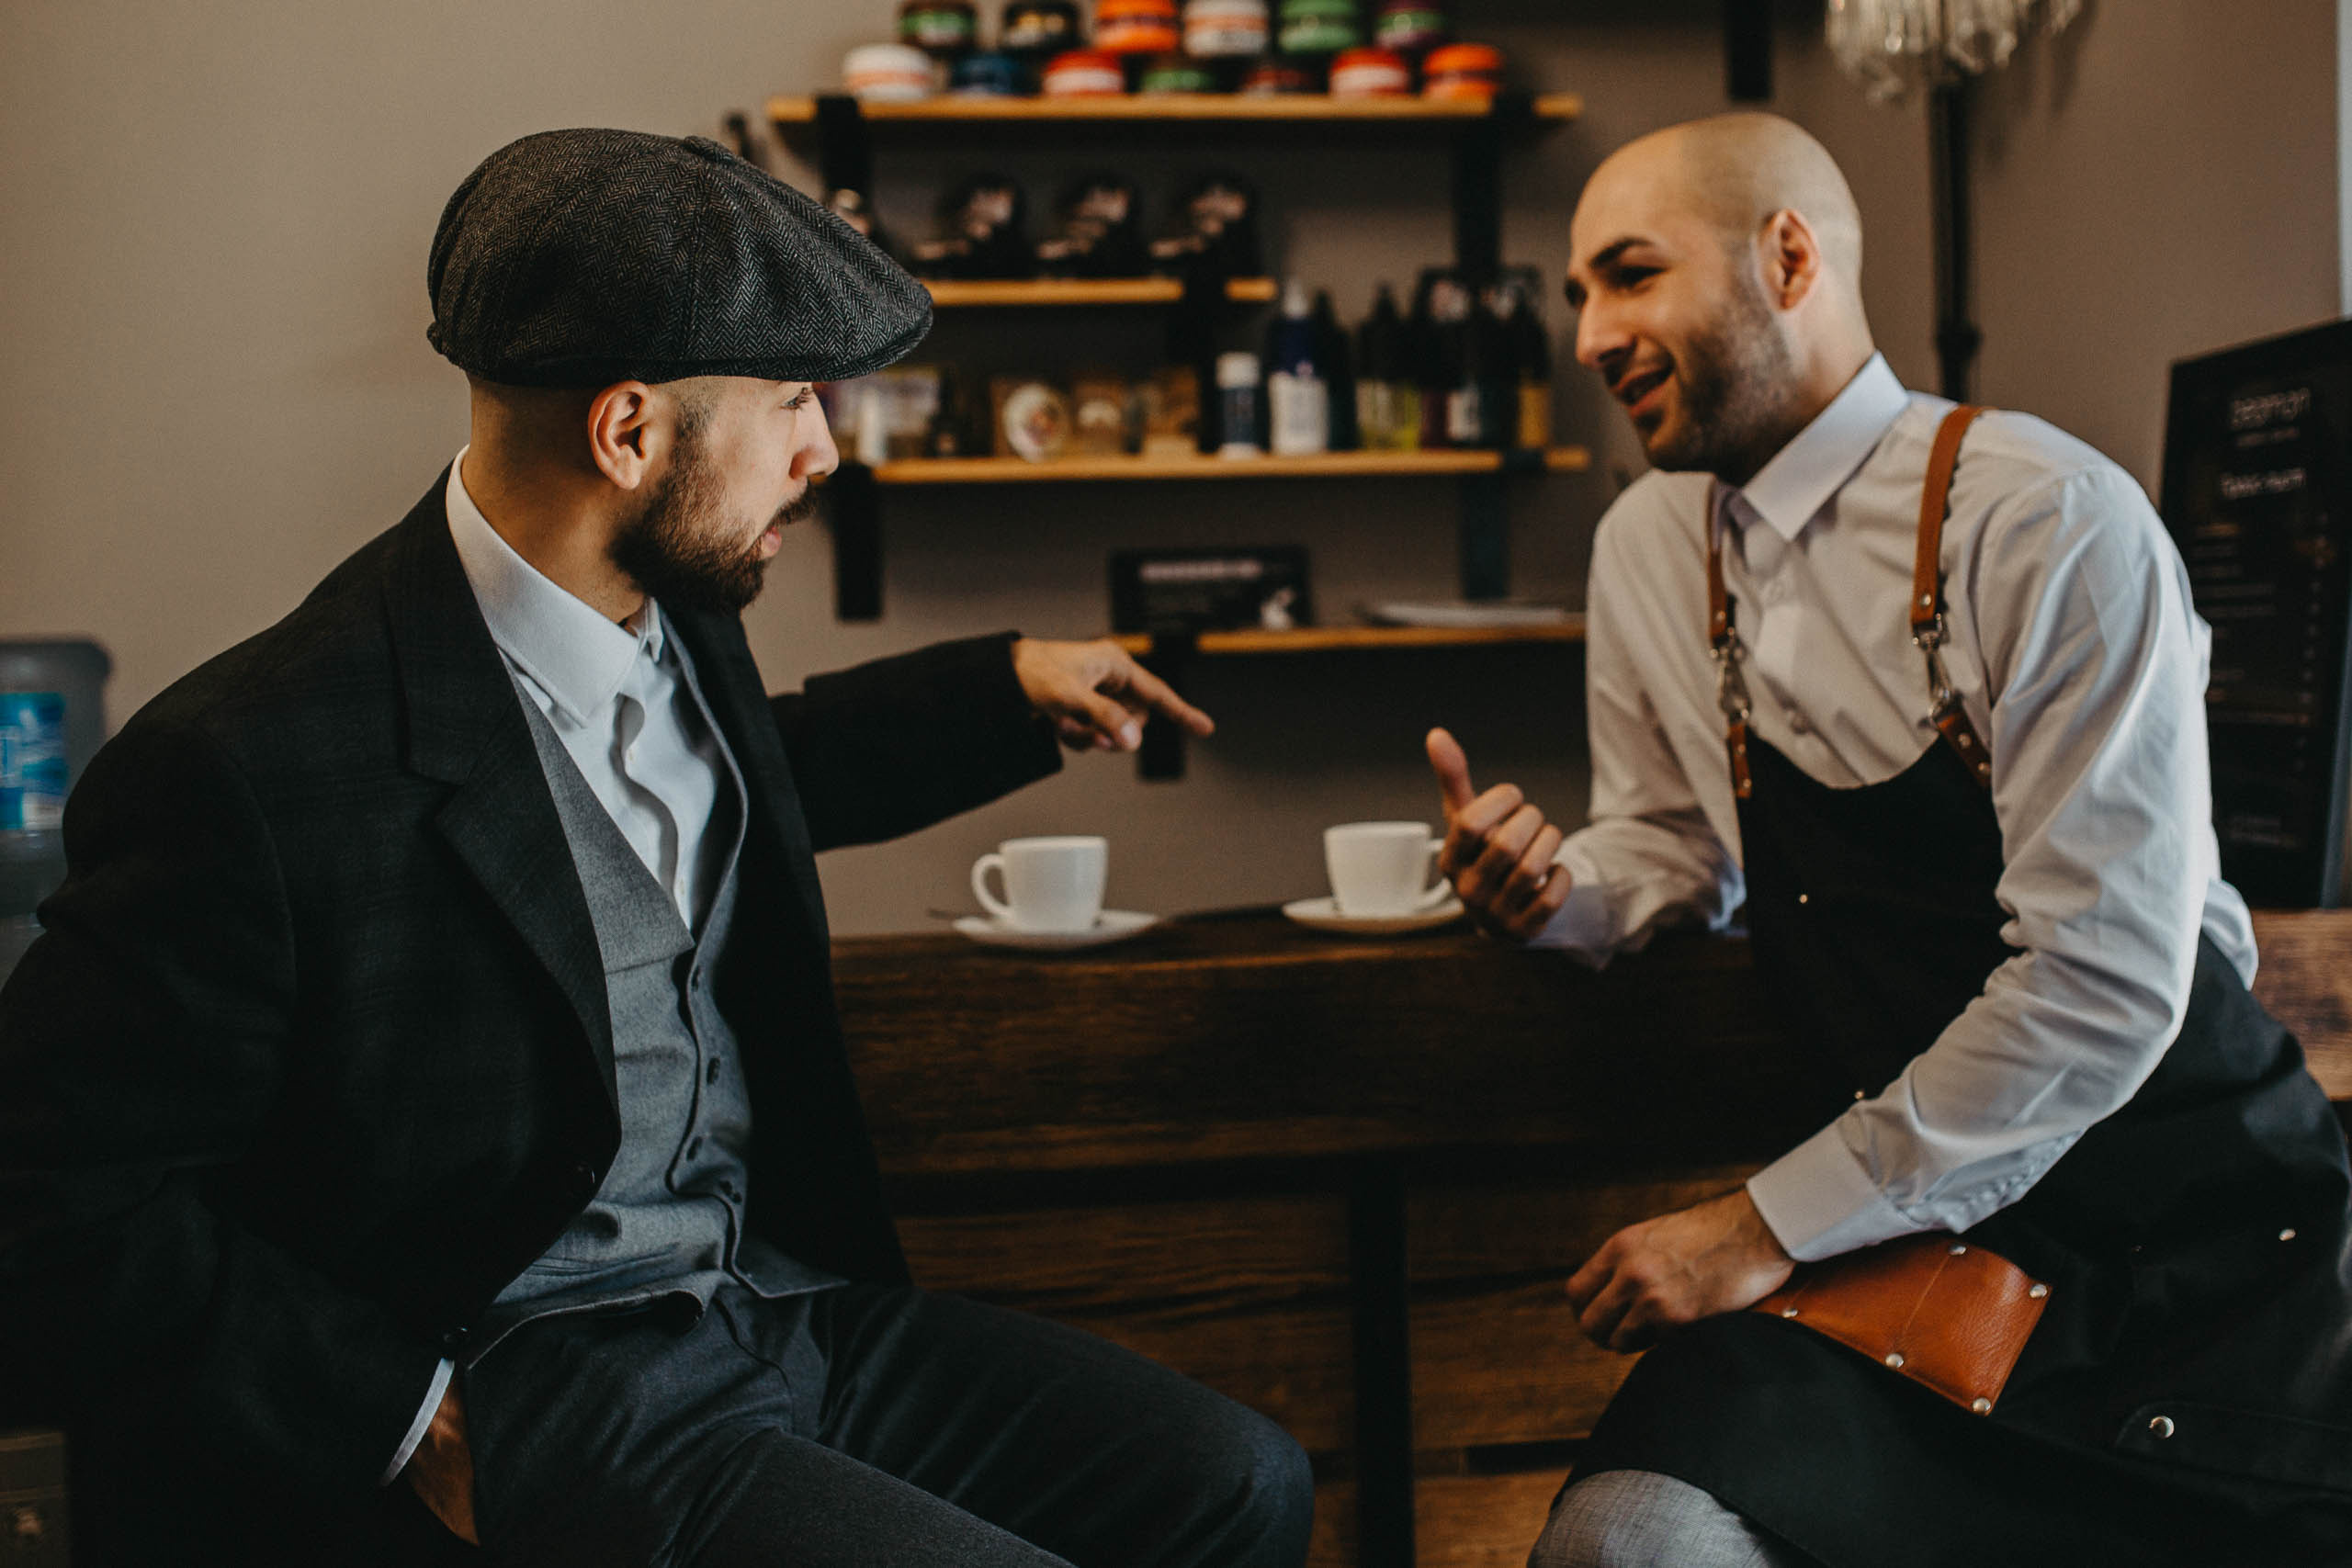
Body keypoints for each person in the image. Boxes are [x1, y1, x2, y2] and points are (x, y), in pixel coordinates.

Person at [0, 129, 1313, 1568]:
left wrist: (998, 690)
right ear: (628, 433)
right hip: (535, 1377)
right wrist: (398, 1421)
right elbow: (50, 1200)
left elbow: (711, 795)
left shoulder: (678, 614)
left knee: (1237, 1484)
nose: (825, 446)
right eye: (795, 399)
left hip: (771, 1304)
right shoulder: (244, 764)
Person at [1427, 114, 2352, 1566]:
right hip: (1919, 1252)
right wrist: (1560, 897)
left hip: (2199, 1242)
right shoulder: (1651, 548)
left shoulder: (2048, 520)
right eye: (1578, 297)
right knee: (1625, 1540)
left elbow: (2105, 979)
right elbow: (1676, 844)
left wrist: (1758, 1227)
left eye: (1628, 276)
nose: (1592, 336)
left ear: (1786, 257)